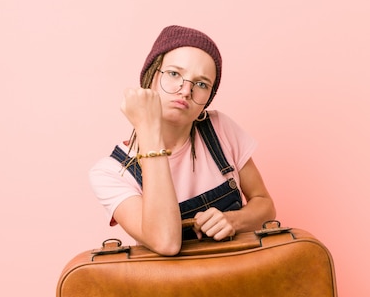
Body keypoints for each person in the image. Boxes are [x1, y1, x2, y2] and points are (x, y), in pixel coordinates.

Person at [89, 25, 276, 256]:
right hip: (169, 291)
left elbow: (265, 204)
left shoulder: (220, 129)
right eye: (174, 73)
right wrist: (148, 129)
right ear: (150, 78)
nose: (186, 90)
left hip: (242, 279)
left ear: (207, 100)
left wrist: (234, 221)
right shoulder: (111, 173)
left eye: (201, 84)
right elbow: (165, 242)